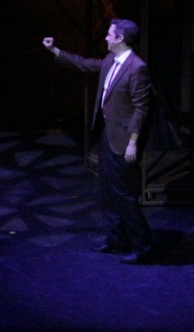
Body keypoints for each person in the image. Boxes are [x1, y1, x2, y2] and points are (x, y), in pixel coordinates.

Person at [43, 18, 155, 264]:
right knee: (108, 191)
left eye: (109, 34)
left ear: (120, 38)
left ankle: (142, 246)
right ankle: (116, 240)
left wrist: (133, 142)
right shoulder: (110, 61)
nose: (105, 37)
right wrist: (54, 50)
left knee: (124, 194)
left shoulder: (136, 68)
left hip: (124, 140)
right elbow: (84, 64)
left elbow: (141, 109)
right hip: (108, 135)